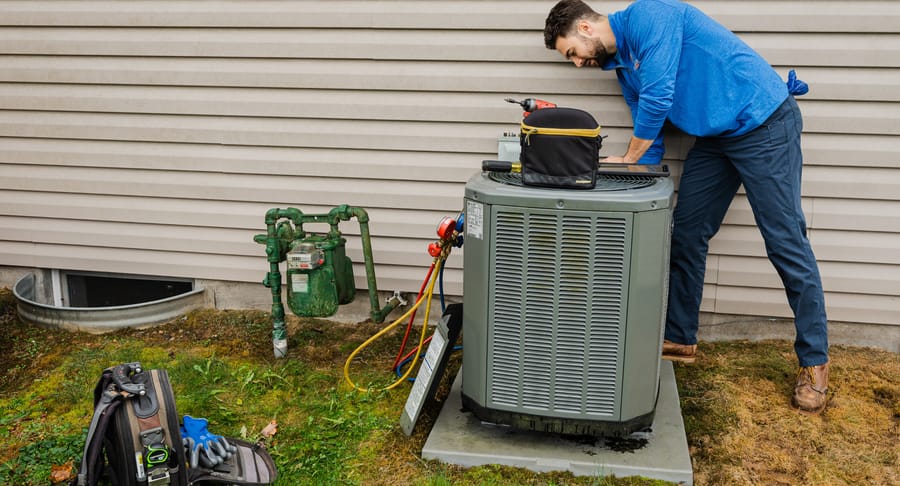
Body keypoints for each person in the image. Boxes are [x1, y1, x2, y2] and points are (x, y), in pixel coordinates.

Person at [544, 0, 830, 413]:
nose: (577, 63)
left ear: (586, 28)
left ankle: (815, 362)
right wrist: (627, 174)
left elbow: (659, 97)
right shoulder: (623, 69)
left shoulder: (649, 17)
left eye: (572, 52)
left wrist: (629, 154)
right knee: (688, 231)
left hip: (764, 122)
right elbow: (650, 134)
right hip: (716, 138)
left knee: (785, 241)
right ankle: (679, 337)